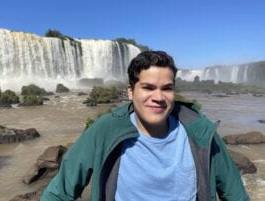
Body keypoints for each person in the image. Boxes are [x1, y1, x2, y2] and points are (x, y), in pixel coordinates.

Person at [41, 51, 250, 201]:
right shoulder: (105, 130)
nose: (158, 97)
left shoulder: (200, 130)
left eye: (166, 88)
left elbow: (234, 193)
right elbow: (60, 192)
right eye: (148, 88)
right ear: (131, 92)